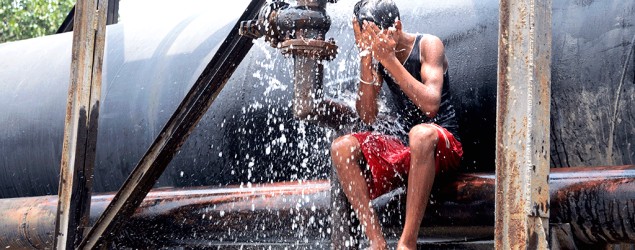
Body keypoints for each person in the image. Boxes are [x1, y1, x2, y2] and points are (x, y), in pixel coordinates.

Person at [330, 0, 463, 249]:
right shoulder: (376, 56)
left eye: (375, 36)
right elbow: (367, 115)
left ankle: (407, 243)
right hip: (407, 148)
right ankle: (377, 242)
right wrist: (366, 58)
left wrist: (389, 60)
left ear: (397, 26)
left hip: (441, 144)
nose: (374, 43)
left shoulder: (428, 45)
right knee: (341, 148)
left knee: (420, 134)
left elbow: (431, 104)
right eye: (366, 37)